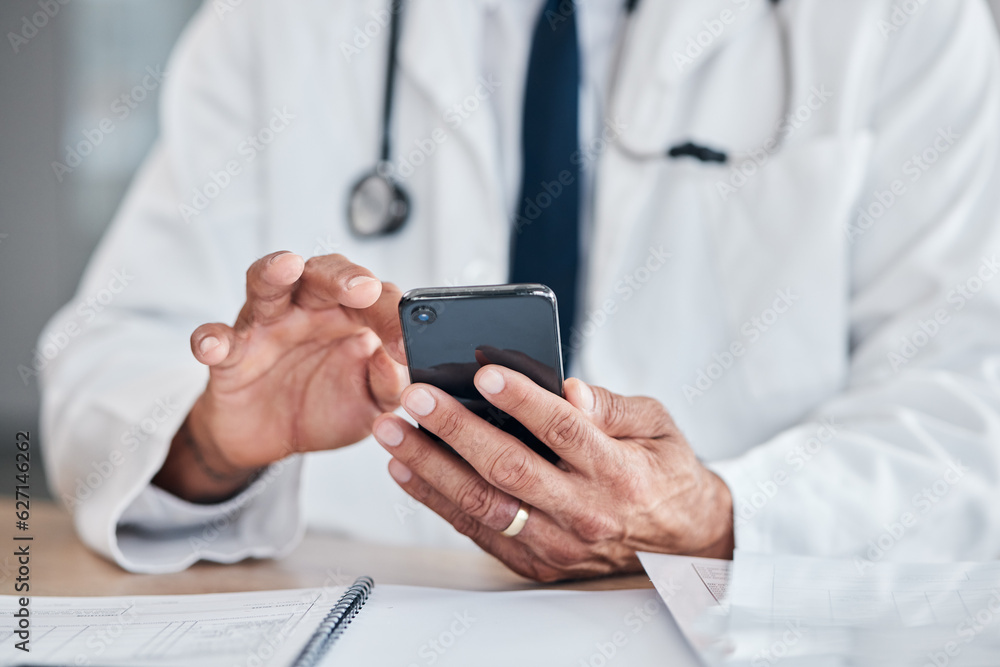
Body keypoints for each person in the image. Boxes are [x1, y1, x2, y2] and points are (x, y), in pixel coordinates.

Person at [39, 0, 1000, 578]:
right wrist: (212, 443)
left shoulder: (903, 23)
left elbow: (973, 406)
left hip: (733, 634)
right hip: (365, 619)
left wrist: (717, 518)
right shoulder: (281, 23)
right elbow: (108, 352)